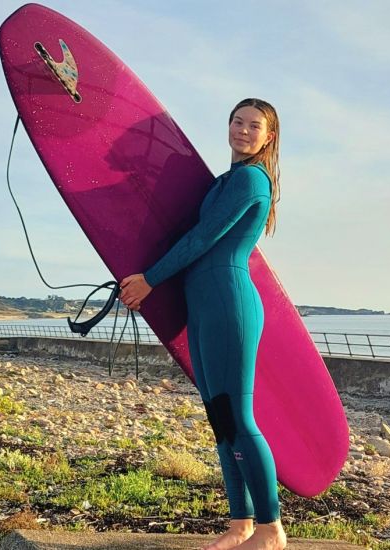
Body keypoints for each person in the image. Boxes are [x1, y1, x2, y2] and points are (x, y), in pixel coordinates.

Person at [120, 98, 285, 550]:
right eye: (237, 121)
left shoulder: (251, 179)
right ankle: (240, 523)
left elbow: (201, 238)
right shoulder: (226, 180)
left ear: (268, 137)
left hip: (230, 305)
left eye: (255, 126)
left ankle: (271, 529)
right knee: (221, 420)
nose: (243, 131)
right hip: (207, 307)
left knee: (239, 417)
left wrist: (150, 279)